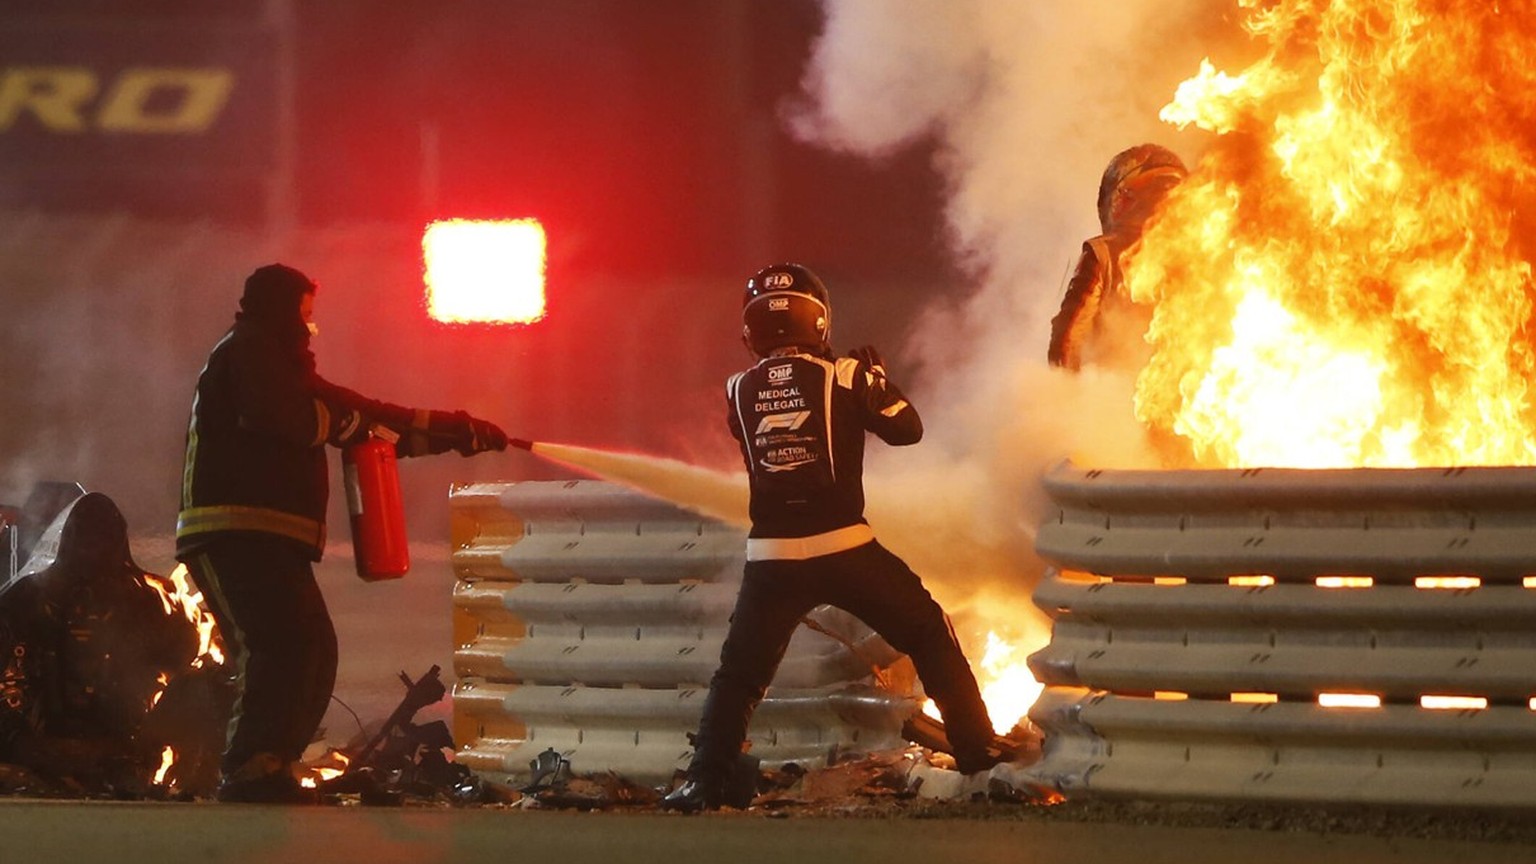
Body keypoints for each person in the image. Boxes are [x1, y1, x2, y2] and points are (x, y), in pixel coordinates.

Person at [661, 263, 1001, 812]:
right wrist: (878, 378)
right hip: (843, 545)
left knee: (739, 676)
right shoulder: (845, 374)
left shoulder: (736, 389)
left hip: (770, 557)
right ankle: (979, 754)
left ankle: (704, 780)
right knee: (927, 630)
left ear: (752, 331)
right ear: (817, 320)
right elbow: (908, 430)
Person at [176, 263, 509, 803]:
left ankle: (274, 764)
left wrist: (454, 430)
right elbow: (288, 418)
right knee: (275, 646)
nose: (310, 330)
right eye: (306, 317)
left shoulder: (279, 364)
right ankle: (248, 769)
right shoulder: (248, 350)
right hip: (232, 531)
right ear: (282, 312)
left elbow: (360, 414)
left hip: (271, 537)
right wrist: (353, 425)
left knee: (310, 647)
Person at [1048, 143, 1188, 371]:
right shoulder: (1103, 255)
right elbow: (1069, 337)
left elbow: (1067, 338)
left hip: (1177, 393)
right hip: (1124, 393)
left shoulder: (1202, 256)